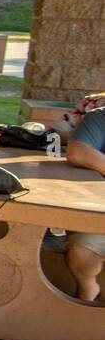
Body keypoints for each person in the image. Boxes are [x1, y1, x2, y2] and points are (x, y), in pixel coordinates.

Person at [64, 108, 105, 302]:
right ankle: (88, 290)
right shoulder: (100, 117)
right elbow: (78, 152)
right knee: (81, 252)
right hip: (100, 211)